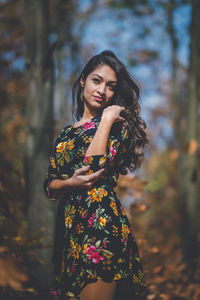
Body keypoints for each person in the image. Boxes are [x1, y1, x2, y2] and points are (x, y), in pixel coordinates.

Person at [43, 50, 148, 300]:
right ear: (83, 80)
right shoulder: (65, 134)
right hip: (70, 230)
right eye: (96, 80)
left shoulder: (116, 125)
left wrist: (107, 120)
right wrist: (69, 182)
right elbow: (49, 186)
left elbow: (94, 167)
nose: (102, 90)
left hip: (101, 225)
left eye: (110, 86)